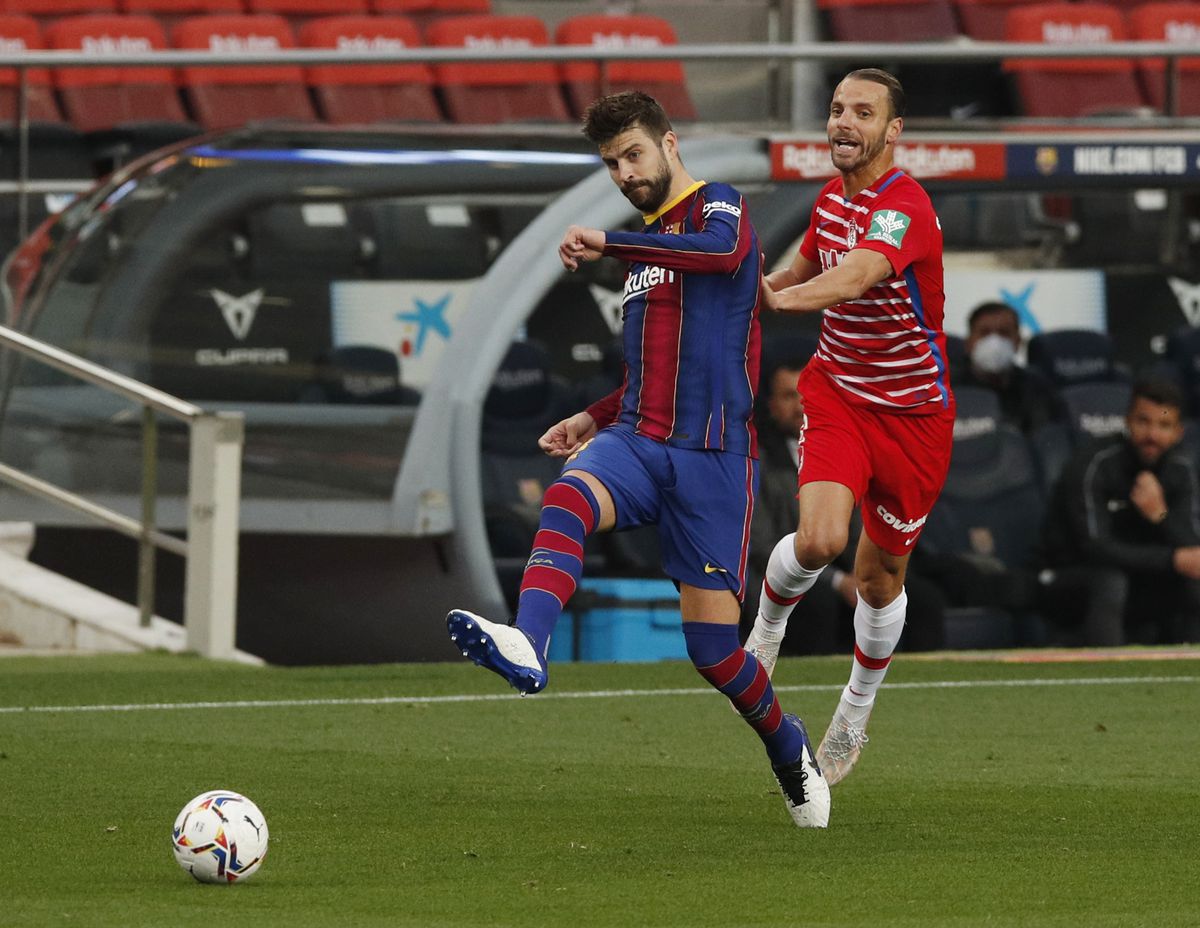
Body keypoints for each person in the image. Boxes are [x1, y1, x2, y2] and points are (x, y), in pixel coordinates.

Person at [445, 91, 830, 828]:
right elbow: (655, 368)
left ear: (669, 144)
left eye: (633, 155)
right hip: (641, 441)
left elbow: (718, 255)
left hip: (715, 459)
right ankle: (528, 640)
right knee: (568, 495)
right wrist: (594, 416)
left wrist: (610, 243)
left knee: (715, 652)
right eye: (611, 163)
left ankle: (787, 746)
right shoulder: (644, 255)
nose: (624, 172)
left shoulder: (720, 209)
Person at [744, 68, 955, 787]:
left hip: (915, 419)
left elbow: (858, 274)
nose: (844, 122)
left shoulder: (905, 206)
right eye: (836, 109)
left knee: (877, 578)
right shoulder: (832, 198)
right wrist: (754, 291)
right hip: (837, 394)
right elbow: (805, 261)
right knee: (820, 540)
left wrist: (778, 302)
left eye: (863, 112)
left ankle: (853, 714)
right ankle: (765, 633)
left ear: (893, 132)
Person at [1039, 379, 1200, 646]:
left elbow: (1192, 550)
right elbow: (1095, 548)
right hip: (1068, 578)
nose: (1152, 435)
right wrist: (1170, 560)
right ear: (1127, 421)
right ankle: (1108, 671)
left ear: (1178, 433)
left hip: (1140, 578)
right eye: (1143, 422)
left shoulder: (1180, 470)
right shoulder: (1095, 464)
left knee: (1195, 579)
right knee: (1111, 580)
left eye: (1164, 425)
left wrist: (1160, 515)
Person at [956, 301, 1055, 434]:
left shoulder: (1037, 388)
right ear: (968, 343)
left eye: (1004, 333)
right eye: (985, 333)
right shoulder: (949, 389)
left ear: (1018, 342)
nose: (994, 342)